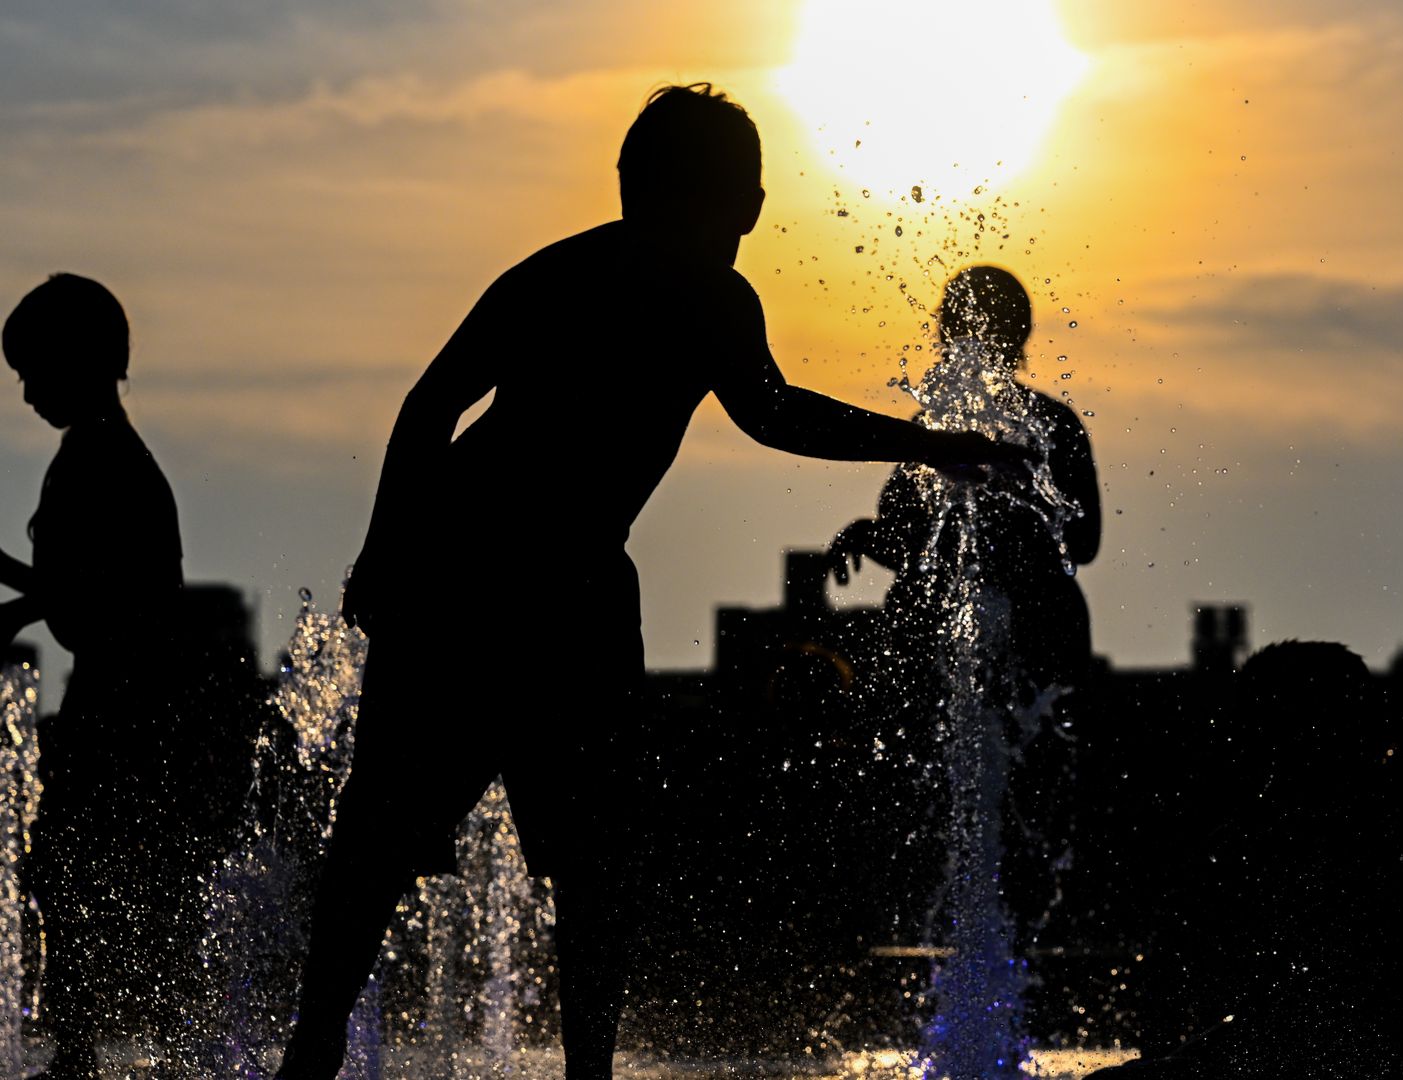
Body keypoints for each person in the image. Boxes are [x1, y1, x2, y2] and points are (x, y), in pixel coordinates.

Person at [272, 84, 1025, 1080]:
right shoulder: (708, 289)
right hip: (556, 583)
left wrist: (385, 550)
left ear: (631, 182)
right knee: (590, 858)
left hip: (462, 563)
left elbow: (428, 408)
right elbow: (774, 415)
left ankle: (315, 1050)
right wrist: (929, 444)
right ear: (745, 205)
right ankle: (573, 1068)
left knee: (386, 840)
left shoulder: (555, 270)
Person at [0, 274, 212, 1078]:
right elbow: (84, 590)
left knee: (88, 866)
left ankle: (95, 1045)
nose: (22, 394)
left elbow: (114, 596)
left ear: (81, 363)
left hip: (132, 704)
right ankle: (97, 1040)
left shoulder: (106, 461)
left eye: (32, 373)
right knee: (77, 867)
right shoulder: (96, 452)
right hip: (124, 697)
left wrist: (17, 613)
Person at [828, 264, 1101, 698]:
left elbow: (1081, 543)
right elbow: (1082, 542)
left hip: (1004, 635)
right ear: (1023, 332)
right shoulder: (1049, 424)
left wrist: (873, 536)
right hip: (1027, 634)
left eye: (947, 321)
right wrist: (870, 536)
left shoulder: (938, 432)